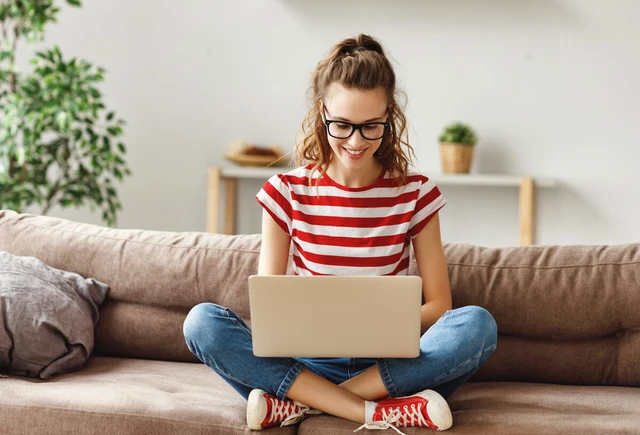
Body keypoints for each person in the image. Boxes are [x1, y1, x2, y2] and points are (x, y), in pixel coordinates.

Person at [183, 34, 498, 434]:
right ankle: (375, 412)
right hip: (305, 363)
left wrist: (376, 330)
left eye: (371, 127)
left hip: (389, 365)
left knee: (477, 326)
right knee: (202, 324)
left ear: (390, 116)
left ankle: (305, 404)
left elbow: (439, 305)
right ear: (321, 113)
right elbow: (271, 310)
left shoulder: (415, 193)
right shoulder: (286, 191)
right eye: (342, 125)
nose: (355, 141)